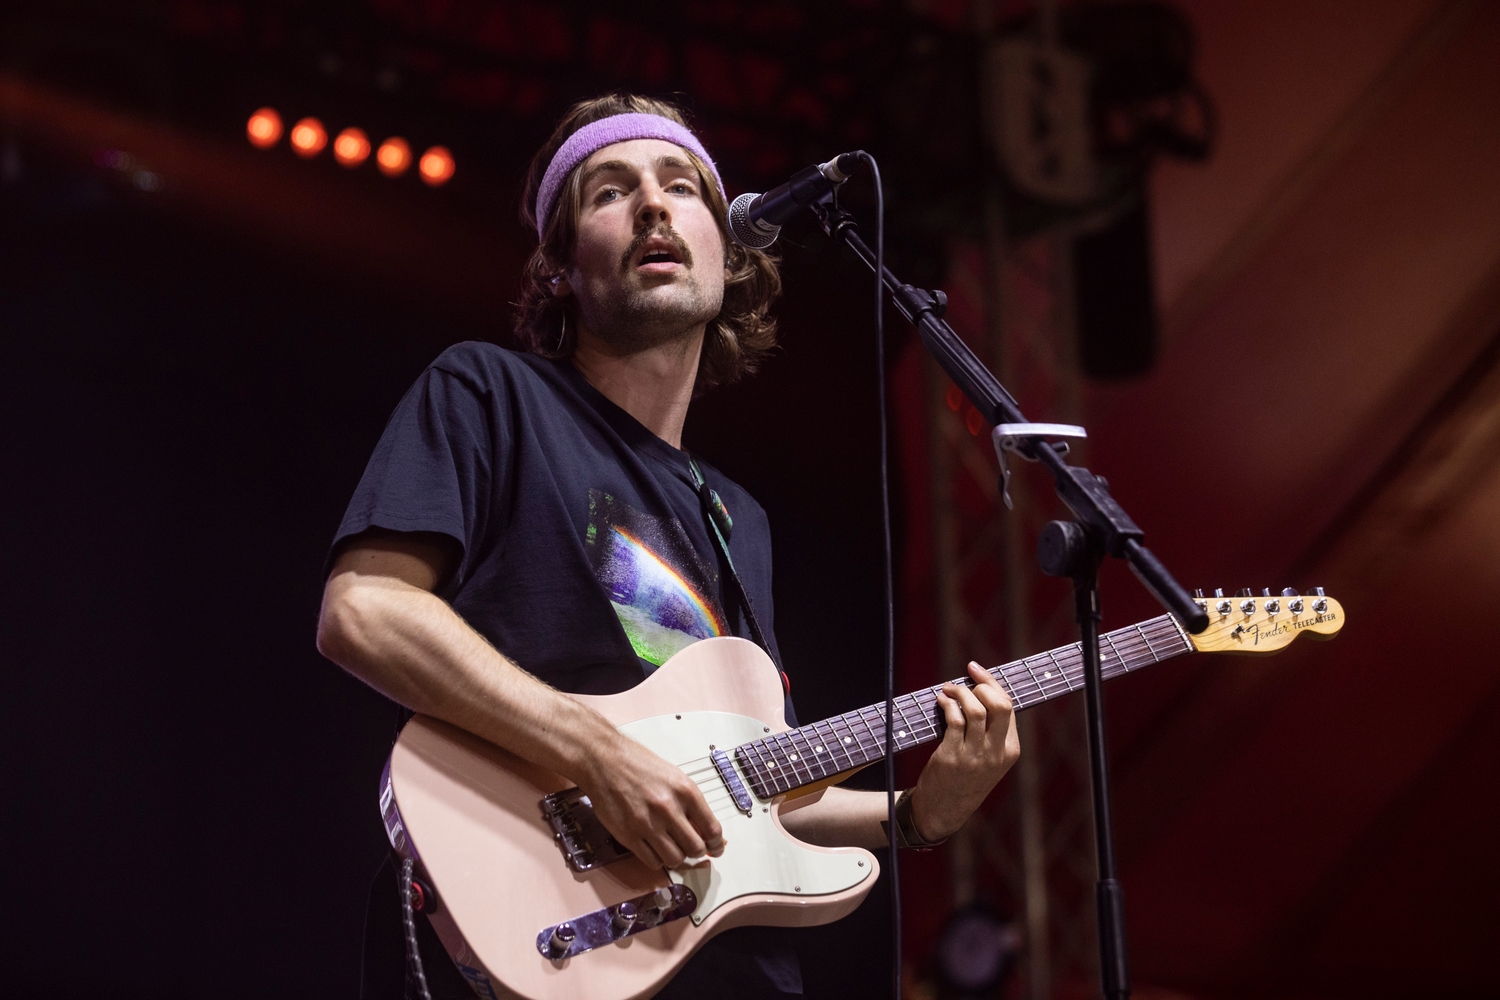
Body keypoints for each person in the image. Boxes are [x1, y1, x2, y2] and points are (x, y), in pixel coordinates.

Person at [316, 93, 1020, 1000]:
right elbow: (363, 612)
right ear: (562, 268)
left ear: (729, 252)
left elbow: (756, 782)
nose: (653, 205)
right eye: (611, 191)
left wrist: (919, 814)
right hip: (535, 939)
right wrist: (596, 755)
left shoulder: (738, 517)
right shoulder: (490, 393)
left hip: (723, 966)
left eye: (682, 186)